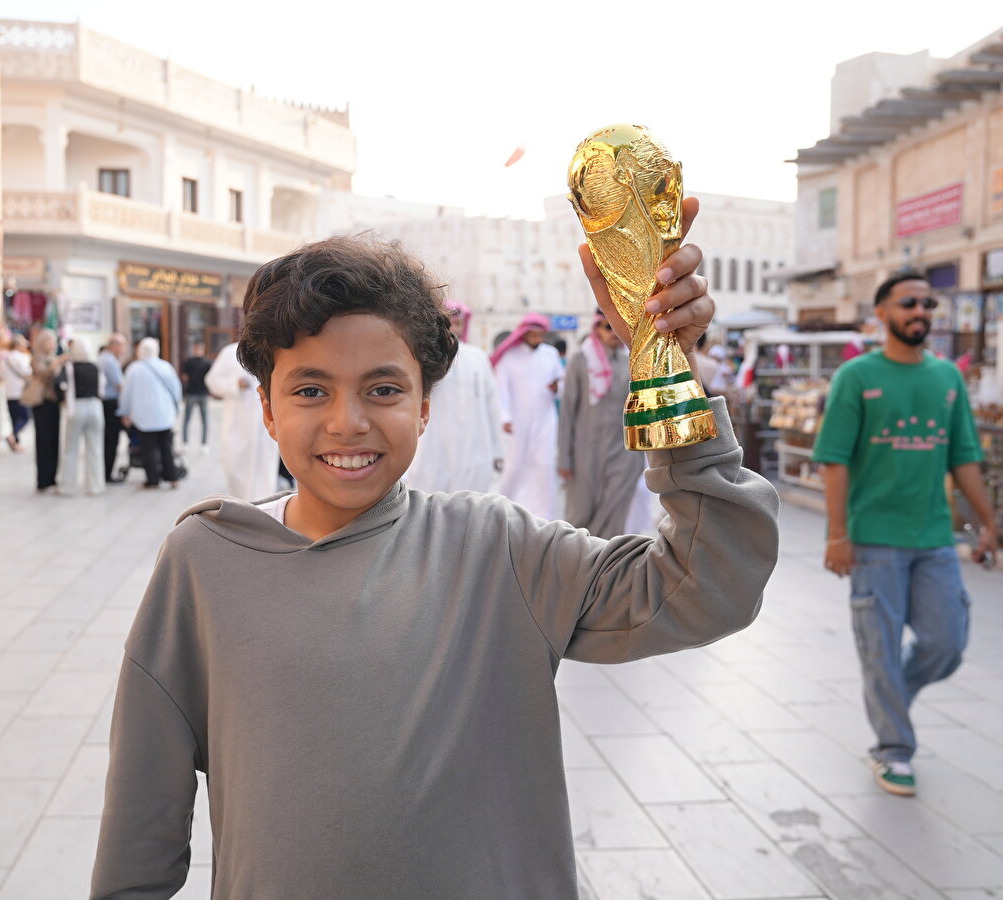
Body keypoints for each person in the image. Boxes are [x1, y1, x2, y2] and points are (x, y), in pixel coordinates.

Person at [90, 227, 780, 899]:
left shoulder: (498, 549)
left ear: (424, 408)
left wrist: (666, 367)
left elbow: (707, 583)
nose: (348, 421)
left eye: (383, 389)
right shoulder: (206, 563)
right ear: (266, 409)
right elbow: (139, 830)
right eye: (310, 390)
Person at [813, 271, 996, 798]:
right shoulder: (855, 376)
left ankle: (893, 690)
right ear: (882, 313)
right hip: (873, 541)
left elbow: (963, 456)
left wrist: (988, 522)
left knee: (947, 642)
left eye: (928, 303)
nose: (921, 311)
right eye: (909, 302)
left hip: (934, 537)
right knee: (880, 650)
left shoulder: (947, 379)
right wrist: (837, 534)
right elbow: (833, 461)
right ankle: (893, 748)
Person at [558, 312, 647, 538]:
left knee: (615, 511)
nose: (613, 333)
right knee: (580, 514)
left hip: (623, 452)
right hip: (585, 451)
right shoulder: (581, 360)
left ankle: (605, 566)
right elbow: (567, 411)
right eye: (608, 327)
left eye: (617, 327)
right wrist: (564, 458)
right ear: (597, 328)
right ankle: (576, 566)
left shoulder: (633, 360)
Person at [407, 299, 503, 493]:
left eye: (458, 323)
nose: (454, 329)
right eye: (449, 323)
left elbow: (493, 406)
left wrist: (498, 450)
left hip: (474, 447)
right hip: (433, 448)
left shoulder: (478, 358)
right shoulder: (425, 359)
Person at [491, 312, 562, 520]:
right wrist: (504, 417)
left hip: (545, 419)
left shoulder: (550, 354)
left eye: (541, 335)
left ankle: (543, 517)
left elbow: (561, 384)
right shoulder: (510, 357)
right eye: (534, 335)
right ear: (524, 334)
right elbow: (500, 389)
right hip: (517, 421)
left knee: (544, 466)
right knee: (515, 466)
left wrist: (557, 387)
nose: (538, 340)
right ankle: (504, 511)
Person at [205, 341, 279, 500]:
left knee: (265, 471)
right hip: (238, 424)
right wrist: (234, 384)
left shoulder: (275, 348)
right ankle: (244, 507)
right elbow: (212, 380)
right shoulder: (230, 352)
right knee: (235, 467)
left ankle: (265, 510)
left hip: (265, 426)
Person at [118, 337, 182, 489]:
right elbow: (176, 389)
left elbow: (126, 393)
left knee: (148, 449)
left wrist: (125, 412)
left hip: (143, 416)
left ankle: (152, 480)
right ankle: (172, 477)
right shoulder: (166, 366)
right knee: (166, 447)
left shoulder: (134, 368)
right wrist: (177, 407)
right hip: (165, 415)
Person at [59, 341, 106, 497]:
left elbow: (61, 386)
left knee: (70, 449)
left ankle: (67, 486)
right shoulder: (95, 367)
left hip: (77, 407)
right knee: (95, 448)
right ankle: (95, 485)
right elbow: (102, 388)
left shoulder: (70, 367)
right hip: (95, 407)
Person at [29, 329, 66, 493]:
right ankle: (43, 479)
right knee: (43, 441)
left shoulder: (54, 359)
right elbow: (42, 373)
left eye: (53, 342)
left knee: (54, 440)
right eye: (48, 341)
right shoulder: (38, 358)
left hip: (54, 403)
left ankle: (53, 476)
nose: (51, 345)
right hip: (42, 403)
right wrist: (57, 363)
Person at [98, 333, 127, 483]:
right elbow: (120, 385)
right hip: (110, 404)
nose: (123, 349)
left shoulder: (104, 358)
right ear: (114, 345)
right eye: (122, 346)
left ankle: (105, 471)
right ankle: (107, 473)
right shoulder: (109, 361)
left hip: (105, 403)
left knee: (107, 439)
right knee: (111, 439)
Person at [0, 334, 32, 451]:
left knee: (13, 418)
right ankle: (13, 435)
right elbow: (28, 373)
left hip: (8, 392)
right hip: (20, 391)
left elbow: (0, 375)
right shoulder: (22, 358)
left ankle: (15, 443)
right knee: (25, 417)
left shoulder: (4, 359)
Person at [179, 341, 212, 445]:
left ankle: (204, 443)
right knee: (187, 419)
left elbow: (211, 378)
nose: (197, 350)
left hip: (203, 393)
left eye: (199, 348)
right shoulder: (189, 362)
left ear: (203, 349)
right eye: (196, 348)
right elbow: (184, 376)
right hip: (191, 393)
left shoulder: (207, 362)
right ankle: (185, 441)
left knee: (205, 420)